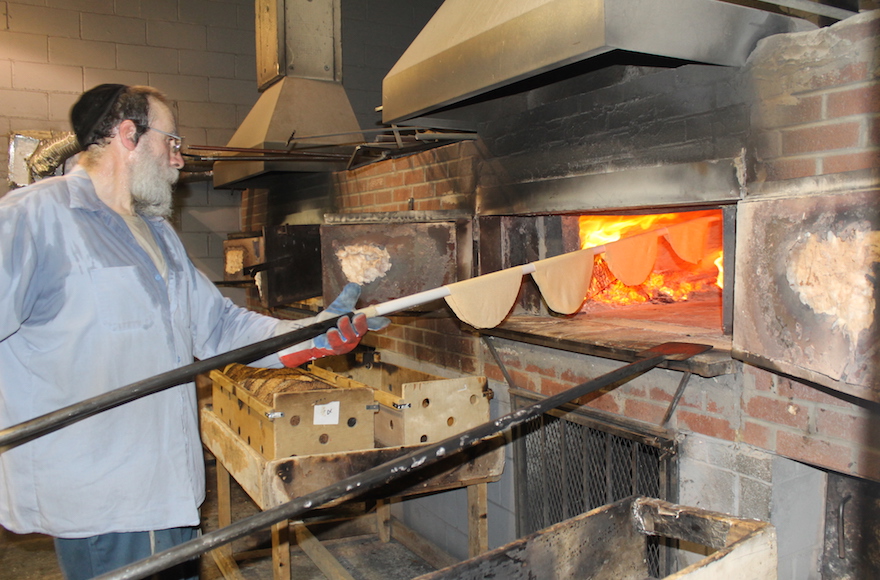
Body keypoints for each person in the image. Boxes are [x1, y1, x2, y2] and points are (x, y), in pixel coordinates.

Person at [0, 84, 380, 579]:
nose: (180, 162)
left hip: (173, 495)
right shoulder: (34, 219)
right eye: (172, 143)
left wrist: (314, 335)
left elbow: (220, 326)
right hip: (106, 504)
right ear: (128, 135)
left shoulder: (158, 234)